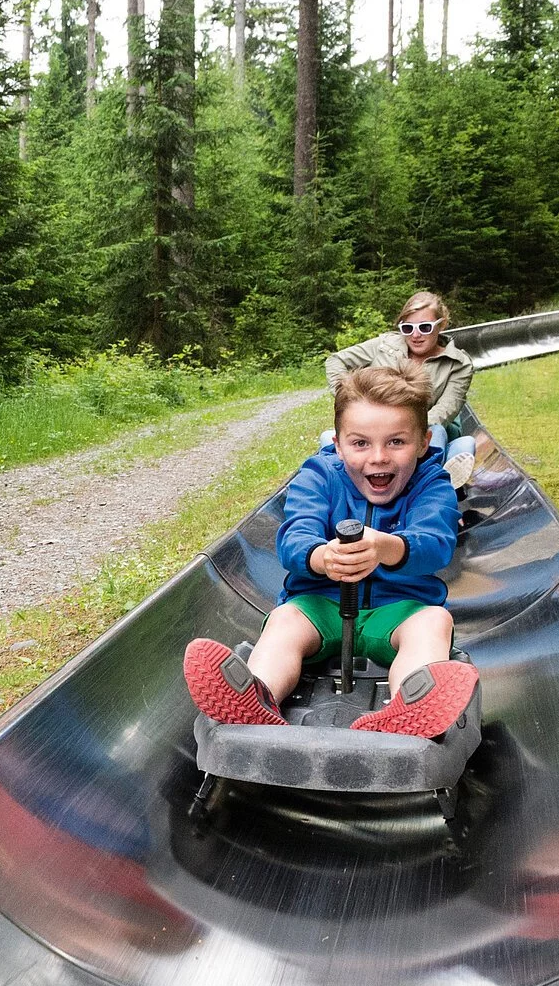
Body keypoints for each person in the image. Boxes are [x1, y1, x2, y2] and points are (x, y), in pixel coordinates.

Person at [182, 361, 479, 738]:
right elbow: (293, 538)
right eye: (360, 443)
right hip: (321, 605)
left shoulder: (431, 483)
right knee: (285, 621)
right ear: (337, 444)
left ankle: (410, 709)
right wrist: (322, 557)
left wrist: (387, 547)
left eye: (396, 442)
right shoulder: (319, 477)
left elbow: (437, 544)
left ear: (422, 442)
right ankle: (255, 698)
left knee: (434, 622)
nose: (378, 457)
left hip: (399, 609)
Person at [324, 289, 475, 442]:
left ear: (441, 325)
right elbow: (335, 360)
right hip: (373, 424)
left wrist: (400, 427)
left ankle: (434, 464)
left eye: (425, 327)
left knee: (446, 436)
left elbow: (446, 408)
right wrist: (350, 398)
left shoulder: (459, 363)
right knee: (328, 438)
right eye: (408, 328)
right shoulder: (384, 345)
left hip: (426, 428)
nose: (415, 335)